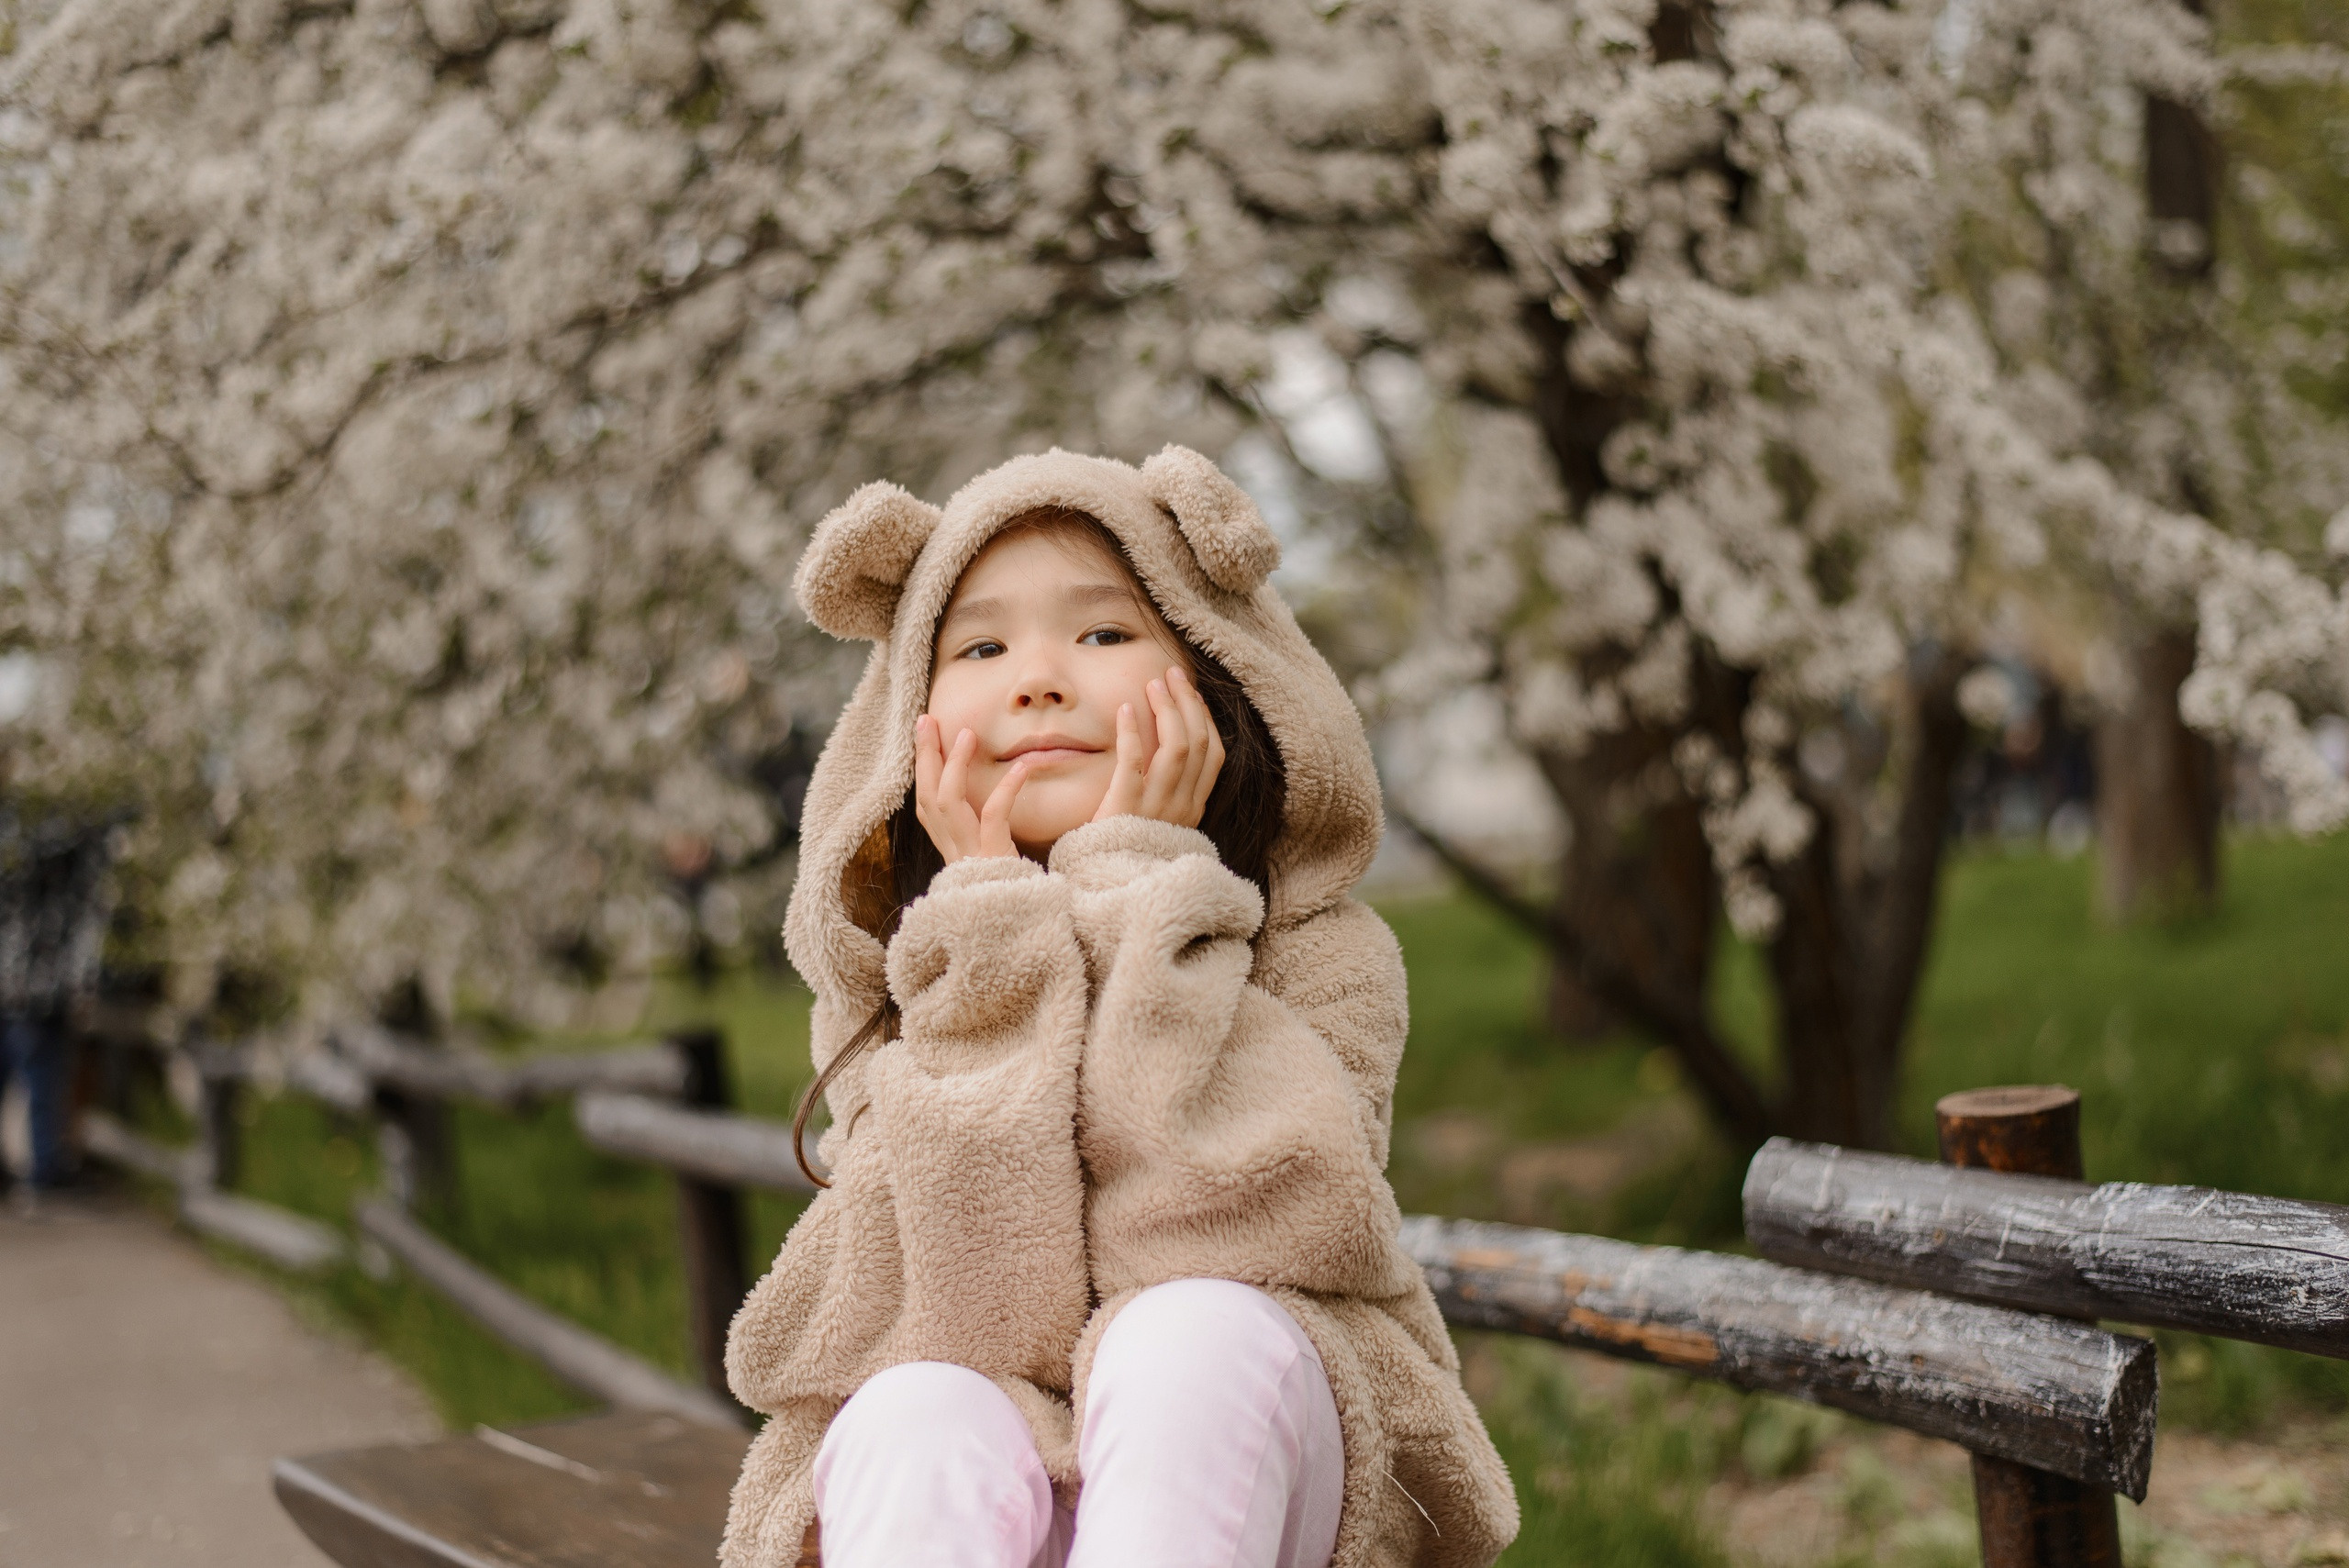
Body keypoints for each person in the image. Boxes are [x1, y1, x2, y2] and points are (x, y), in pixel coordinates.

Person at [722, 448, 1517, 1568]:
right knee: (915, 1410)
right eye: (982, 647)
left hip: (1259, 1460)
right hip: (1010, 1482)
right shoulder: (907, 983)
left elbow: (1232, 1229)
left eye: (1102, 633)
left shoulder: (1321, 952)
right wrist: (990, 941)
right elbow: (965, 1311)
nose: (1039, 679)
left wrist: (1141, 883)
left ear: (1209, 672)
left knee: (1183, 1332)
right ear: (912, 711)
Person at [0, 802, 121, 1203]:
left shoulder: (18, 828)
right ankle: (47, 1172)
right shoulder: (70, 830)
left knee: (31, 1074)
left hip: (17, 979)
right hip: (39, 985)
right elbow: (88, 906)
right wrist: (83, 981)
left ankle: (41, 1171)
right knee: (44, 1076)